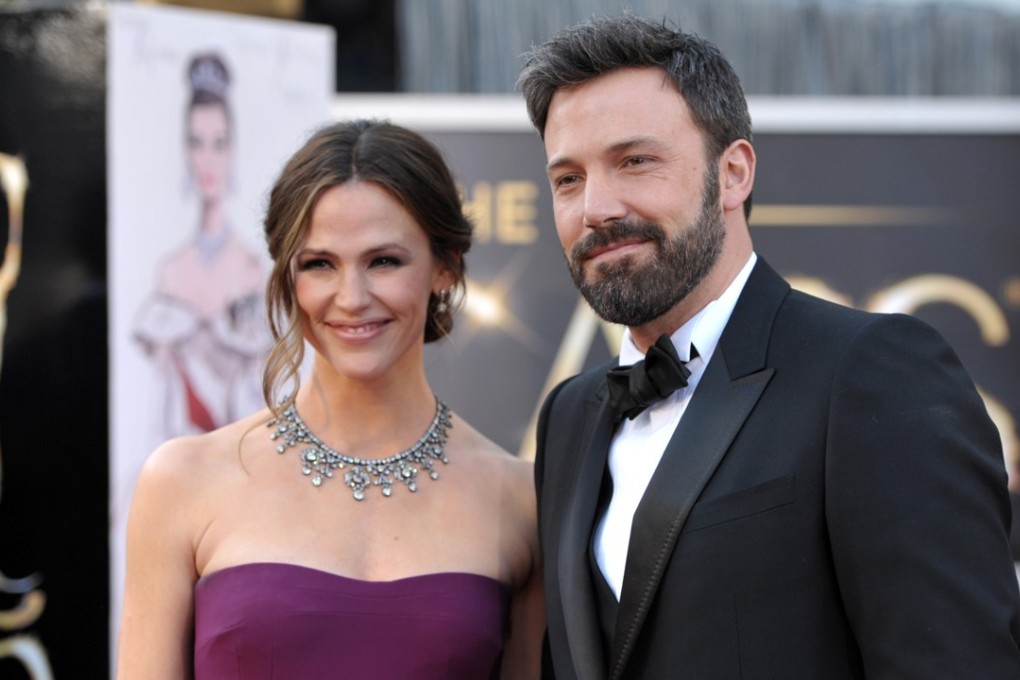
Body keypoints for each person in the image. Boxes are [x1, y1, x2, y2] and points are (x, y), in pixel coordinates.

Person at [517, 14, 1020, 679]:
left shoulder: (872, 373)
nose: (596, 208)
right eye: (568, 179)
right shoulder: (569, 418)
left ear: (733, 174)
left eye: (634, 161)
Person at [117, 120, 545, 679]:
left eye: (384, 261)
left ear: (445, 267)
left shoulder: (518, 501)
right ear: (288, 278)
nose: (351, 298)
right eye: (320, 264)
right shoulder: (182, 482)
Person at [133, 51, 270, 440]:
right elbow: (160, 406)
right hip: (181, 461)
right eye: (197, 142)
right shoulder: (171, 270)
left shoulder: (250, 267)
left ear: (233, 149)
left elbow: (263, 397)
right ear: (185, 148)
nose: (207, 159)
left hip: (243, 458)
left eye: (218, 143)